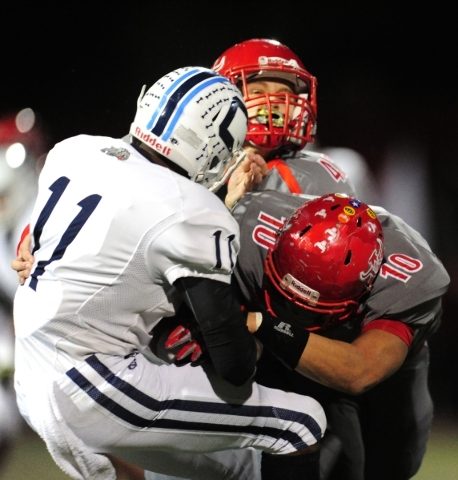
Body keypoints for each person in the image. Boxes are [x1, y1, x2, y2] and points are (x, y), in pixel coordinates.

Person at [12, 67, 328, 480]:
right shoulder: (194, 210)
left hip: (32, 377)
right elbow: (235, 365)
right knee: (301, 423)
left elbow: (117, 213)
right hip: (95, 386)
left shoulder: (73, 152)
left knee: (233, 468)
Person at [211, 38, 357, 209]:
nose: (273, 103)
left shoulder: (312, 175)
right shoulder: (193, 167)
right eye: (258, 91)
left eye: (283, 96)